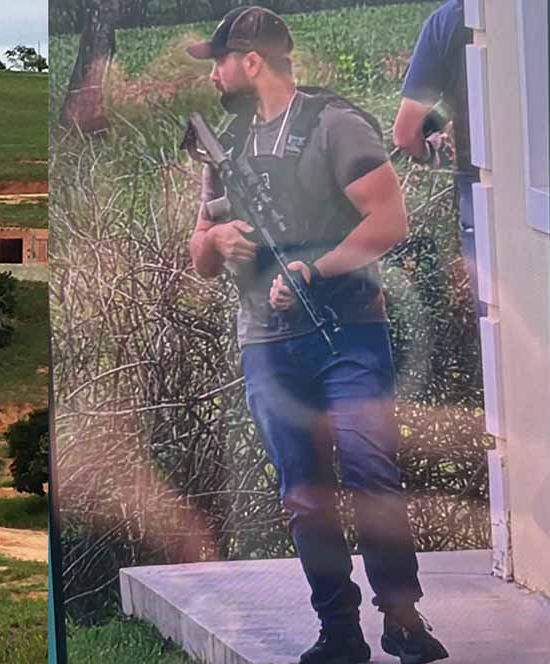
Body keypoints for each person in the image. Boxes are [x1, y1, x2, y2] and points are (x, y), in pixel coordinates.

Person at [186, 7, 449, 664]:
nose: (213, 77)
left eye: (218, 61)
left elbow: (388, 220)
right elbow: (199, 251)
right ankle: (338, 632)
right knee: (305, 494)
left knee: (370, 473)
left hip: (351, 329)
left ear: (250, 62)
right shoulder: (226, 148)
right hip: (268, 343)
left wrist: (315, 267)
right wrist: (215, 238)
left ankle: (403, 619)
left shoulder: (334, 124)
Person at [393, 0, 485, 319]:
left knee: (497, 320)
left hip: (479, 187)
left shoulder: (448, 21)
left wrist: (430, 152)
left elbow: (405, 135)